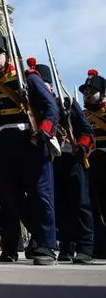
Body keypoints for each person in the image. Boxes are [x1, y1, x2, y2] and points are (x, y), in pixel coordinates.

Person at [0, 30, 59, 265]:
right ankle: (39, 235)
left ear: (7, 56)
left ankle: (47, 246)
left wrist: (43, 131)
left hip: (30, 141)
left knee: (40, 195)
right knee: (12, 199)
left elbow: (50, 107)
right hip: (3, 149)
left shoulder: (27, 78)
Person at [26, 59, 95, 264]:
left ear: (49, 85)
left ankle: (86, 246)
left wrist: (80, 147)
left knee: (80, 204)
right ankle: (65, 246)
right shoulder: (34, 108)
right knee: (59, 205)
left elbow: (86, 132)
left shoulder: (67, 104)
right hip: (51, 159)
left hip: (72, 158)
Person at [79, 69, 106, 259]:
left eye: (92, 92)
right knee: (94, 207)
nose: (87, 95)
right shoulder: (82, 116)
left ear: (102, 94)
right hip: (90, 166)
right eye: (85, 92)